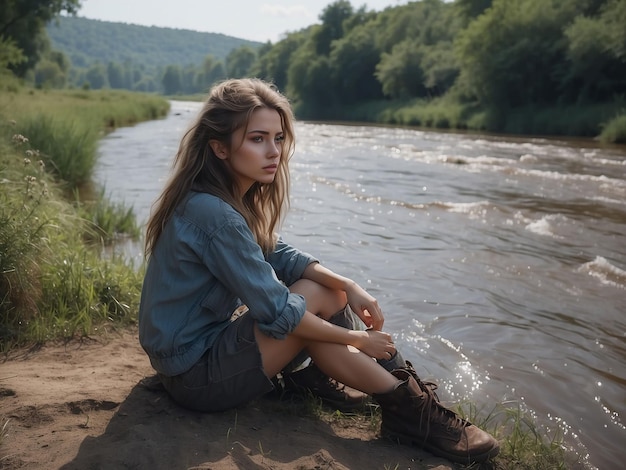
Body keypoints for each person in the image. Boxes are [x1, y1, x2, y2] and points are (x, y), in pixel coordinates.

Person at [138, 78, 500, 465]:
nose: (273, 152)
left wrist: (350, 284)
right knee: (307, 305)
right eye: (257, 139)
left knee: (327, 292)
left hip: (192, 358)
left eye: (278, 138)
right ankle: (410, 410)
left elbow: (284, 256)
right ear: (220, 148)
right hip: (195, 378)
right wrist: (357, 341)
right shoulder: (215, 215)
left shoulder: (221, 199)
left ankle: (346, 381)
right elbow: (279, 313)